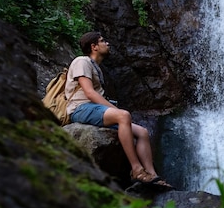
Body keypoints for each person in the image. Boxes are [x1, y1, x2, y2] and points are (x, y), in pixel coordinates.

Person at [65, 31, 172, 188]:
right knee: (123, 116)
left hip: (94, 109)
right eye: (103, 41)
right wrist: (115, 110)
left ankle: (153, 176)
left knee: (142, 132)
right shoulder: (81, 61)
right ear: (94, 47)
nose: (107, 43)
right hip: (81, 108)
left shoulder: (96, 67)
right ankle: (136, 169)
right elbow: (89, 92)